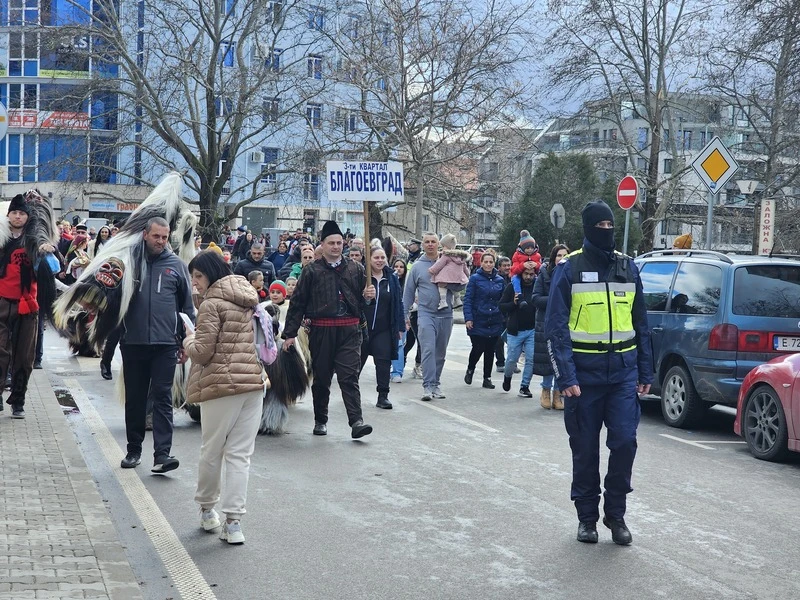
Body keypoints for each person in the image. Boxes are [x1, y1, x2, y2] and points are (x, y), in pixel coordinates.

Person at [545, 200, 653, 546]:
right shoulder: (570, 268)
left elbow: (642, 324)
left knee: (624, 442)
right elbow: (556, 328)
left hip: (622, 373)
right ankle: (587, 518)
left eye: (611, 225)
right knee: (585, 449)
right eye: (601, 226)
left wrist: (645, 370)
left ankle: (616, 514)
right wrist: (566, 377)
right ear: (588, 229)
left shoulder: (628, 267)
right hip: (584, 378)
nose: (607, 231)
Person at [184, 250, 266, 545]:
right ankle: (234, 523)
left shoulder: (211, 304)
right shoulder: (245, 295)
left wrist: (188, 338)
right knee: (240, 455)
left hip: (220, 385)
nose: (195, 283)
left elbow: (203, 352)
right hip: (252, 382)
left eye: (198, 276)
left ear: (211, 274)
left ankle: (207, 510)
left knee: (212, 449)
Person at [282, 220, 374, 438]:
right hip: (322, 332)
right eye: (331, 243)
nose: (336, 246)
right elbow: (298, 304)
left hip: (350, 331)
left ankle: (356, 421)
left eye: (339, 243)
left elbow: (363, 303)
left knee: (349, 376)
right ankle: (320, 420)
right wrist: (289, 335)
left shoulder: (356, 269)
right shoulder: (311, 271)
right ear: (322, 245)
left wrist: (369, 298)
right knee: (322, 379)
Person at [119, 217, 195, 473]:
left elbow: (187, 307)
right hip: (133, 342)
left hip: (165, 345)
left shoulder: (176, 266)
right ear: (145, 235)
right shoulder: (130, 262)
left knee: (163, 398)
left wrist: (186, 340)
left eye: (165, 237)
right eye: (156, 237)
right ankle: (133, 450)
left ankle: (162, 455)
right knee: (136, 399)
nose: (161, 242)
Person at [0, 192, 57, 418]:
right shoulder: (2, 239)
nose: (17, 216)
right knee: (0, 351)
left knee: (25, 356)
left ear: (27, 216)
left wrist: (46, 249)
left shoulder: (35, 239)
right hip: (3, 302)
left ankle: (18, 400)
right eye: (14, 212)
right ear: (9, 215)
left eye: (22, 213)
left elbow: (53, 266)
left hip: (29, 305)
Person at [403, 232, 463, 401]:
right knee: (428, 349)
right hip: (425, 313)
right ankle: (428, 386)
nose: (430, 244)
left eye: (433, 242)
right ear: (422, 245)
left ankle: (436, 383)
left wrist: (448, 282)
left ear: (439, 244)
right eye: (427, 242)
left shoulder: (449, 261)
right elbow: (408, 293)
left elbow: (461, 285)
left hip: (446, 314)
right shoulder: (417, 267)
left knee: (440, 353)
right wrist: (404, 315)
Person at [360, 248, 405, 409]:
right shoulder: (362, 277)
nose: (379, 260)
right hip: (361, 328)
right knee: (355, 362)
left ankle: (383, 395)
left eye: (382, 257)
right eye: (376, 257)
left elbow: (398, 303)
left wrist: (400, 326)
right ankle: (351, 394)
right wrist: (364, 296)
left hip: (384, 328)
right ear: (369, 259)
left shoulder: (391, 278)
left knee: (383, 360)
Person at [532, 244, 570, 409]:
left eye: (565, 255)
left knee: (562, 359)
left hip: (565, 323)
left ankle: (558, 394)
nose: (562, 259)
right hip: (546, 322)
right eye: (559, 255)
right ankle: (545, 391)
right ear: (554, 258)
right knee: (548, 359)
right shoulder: (544, 274)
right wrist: (554, 300)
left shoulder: (571, 275)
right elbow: (535, 298)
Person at [462, 253, 506, 389]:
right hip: (478, 319)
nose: (488, 264)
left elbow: (503, 299)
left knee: (490, 350)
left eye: (491, 262)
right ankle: (470, 369)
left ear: (494, 263)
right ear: (481, 263)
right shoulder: (475, 279)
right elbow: (468, 299)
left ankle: (487, 378)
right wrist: (468, 318)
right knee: (478, 347)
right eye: (485, 262)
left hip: (494, 319)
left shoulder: (500, 280)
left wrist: (503, 316)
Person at [498, 260, 537, 397]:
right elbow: (502, 306)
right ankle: (507, 377)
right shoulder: (512, 287)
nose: (528, 277)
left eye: (531, 274)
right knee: (511, 360)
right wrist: (513, 304)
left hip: (532, 330)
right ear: (521, 273)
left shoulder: (537, 286)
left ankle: (524, 386)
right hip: (515, 330)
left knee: (531, 359)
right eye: (526, 274)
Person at [428, 233, 470, 310]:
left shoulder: (446, 256)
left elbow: (439, 264)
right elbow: (465, 269)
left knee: (441, 284)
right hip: (459, 281)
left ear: (447, 246)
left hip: (447, 280)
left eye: (443, 246)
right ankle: (458, 300)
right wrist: (467, 275)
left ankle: (443, 301)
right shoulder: (461, 257)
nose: (442, 248)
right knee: (453, 286)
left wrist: (432, 270)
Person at [510, 231, 542, 307]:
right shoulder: (517, 255)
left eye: (532, 248)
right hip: (518, 275)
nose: (530, 250)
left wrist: (536, 265)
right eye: (527, 248)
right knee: (515, 280)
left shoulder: (537, 256)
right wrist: (523, 266)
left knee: (538, 280)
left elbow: (541, 268)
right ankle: (519, 296)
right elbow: (514, 269)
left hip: (533, 275)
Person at [390, 259, 409, 383]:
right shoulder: (391, 281)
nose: (398, 269)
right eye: (396, 266)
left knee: (400, 345)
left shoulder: (408, 283)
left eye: (401, 266)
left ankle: (397, 372)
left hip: (404, 317)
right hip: (391, 317)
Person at [494, 255, 512, 373]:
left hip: (511, 313)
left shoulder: (514, 278)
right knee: (499, 340)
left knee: (512, 340)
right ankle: (500, 362)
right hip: (499, 314)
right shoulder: (496, 279)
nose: (507, 268)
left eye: (508, 265)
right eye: (504, 266)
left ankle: (512, 362)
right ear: (499, 267)